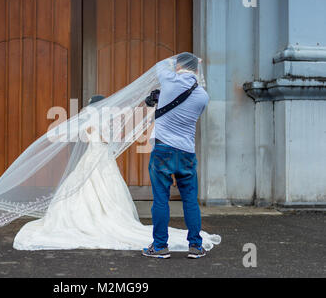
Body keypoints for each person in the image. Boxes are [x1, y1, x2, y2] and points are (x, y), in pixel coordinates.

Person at [12, 92, 220, 253]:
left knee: (83, 190)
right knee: (104, 193)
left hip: (94, 159)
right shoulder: (98, 122)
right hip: (101, 159)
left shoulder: (88, 121)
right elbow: (104, 139)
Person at [142, 52, 210, 259]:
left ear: (178, 66)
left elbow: (160, 65)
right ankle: (196, 247)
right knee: (190, 200)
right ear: (197, 71)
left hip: (163, 150)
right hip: (187, 152)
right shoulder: (203, 96)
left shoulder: (169, 80)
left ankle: (160, 246)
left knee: (161, 199)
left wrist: (176, 61)